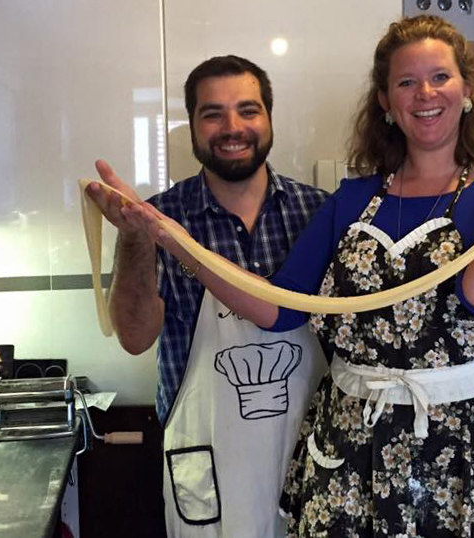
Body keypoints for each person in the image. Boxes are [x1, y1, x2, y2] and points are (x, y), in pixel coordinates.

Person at [112, 15, 474, 538]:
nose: (425, 94)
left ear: (467, 90)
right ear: (386, 103)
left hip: (470, 439)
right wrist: (169, 236)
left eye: (440, 77)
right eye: (406, 82)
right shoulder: (351, 200)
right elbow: (279, 308)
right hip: (356, 435)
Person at [86, 55, 329, 538]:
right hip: (205, 456)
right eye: (213, 113)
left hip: (310, 451)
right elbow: (135, 338)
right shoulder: (158, 218)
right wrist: (135, 237)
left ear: (270, 117)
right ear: (193, 126)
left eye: (248, 110)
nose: (232, 127)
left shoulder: (318, 212)